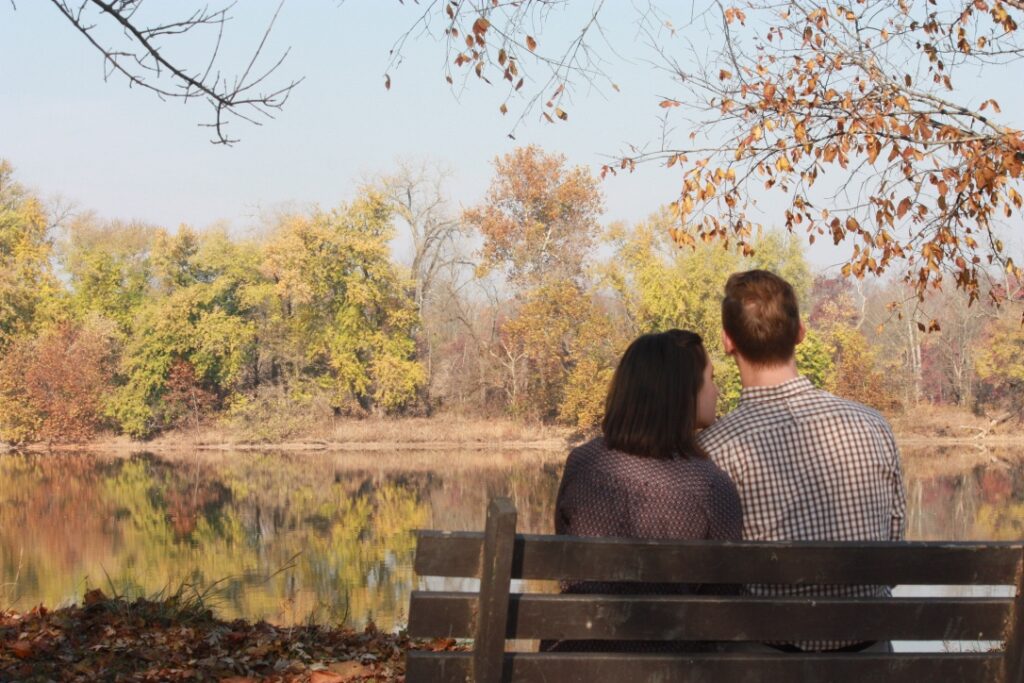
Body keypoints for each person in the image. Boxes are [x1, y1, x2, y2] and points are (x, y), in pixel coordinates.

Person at [697, 269, 906, 653]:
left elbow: (713, 580)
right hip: (870, 659)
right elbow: (893, 549)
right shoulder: (873, 426)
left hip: (768, 662)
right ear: (800, 332)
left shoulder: (713, 450)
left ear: (727, 342)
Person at [546, 329, 742, 652]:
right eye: (710, 379)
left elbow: (568, 568)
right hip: (674, 668)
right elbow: (724, 605)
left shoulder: (582, 463)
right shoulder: (713, 487)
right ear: (683, 393)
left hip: (574, 663)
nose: (717, 391)